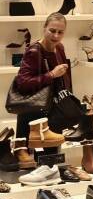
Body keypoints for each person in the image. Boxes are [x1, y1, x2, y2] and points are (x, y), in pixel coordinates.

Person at [15, 13, 71, 154]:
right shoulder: (34, 51)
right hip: (33, 112)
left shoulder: (59, 48)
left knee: (52, 158)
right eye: (52, 30)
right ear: (44, 28)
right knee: (28, 159)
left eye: (60, 32)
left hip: (53, 111)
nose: (56, 36)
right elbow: (23, 83)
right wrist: (51, 75)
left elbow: (64, 78)